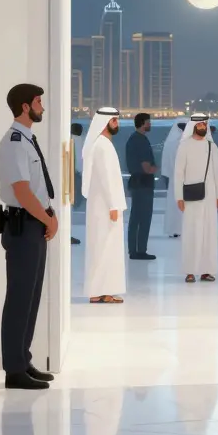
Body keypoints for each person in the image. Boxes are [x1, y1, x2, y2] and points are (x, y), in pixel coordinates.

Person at [0, 83, 60, 392]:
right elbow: (21, 191)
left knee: (31, 297)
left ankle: (23, 359)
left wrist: (49, 214)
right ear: (24, 106)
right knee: (19, 298)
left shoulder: (27, 140)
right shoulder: (14, 142)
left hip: (34, 223)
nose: (42, 107)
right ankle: (14, 370)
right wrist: (46, 217)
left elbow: (35, 189)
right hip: (23, 226)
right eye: (38, 102)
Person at [83, 107, 127, 304]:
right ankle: (99, 291)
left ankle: (102, 290)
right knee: (103, 248)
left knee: (104, 248)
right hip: (106, 207)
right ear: (106, 122)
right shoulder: (102, 146)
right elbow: (106, 178)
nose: (117, 124)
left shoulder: (102, 144)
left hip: (105, 206)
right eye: (114, 120)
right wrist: (113, 205)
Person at [175, 114, 218, 283]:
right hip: (190, 196)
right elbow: (178, 173)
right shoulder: (184, 146)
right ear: (194, 125)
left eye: (205, 124)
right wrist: (178, 197)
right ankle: (190, 271)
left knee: (209, 233)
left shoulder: (212, 147)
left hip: (210, 196)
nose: (203, 126)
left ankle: (206, 270)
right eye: (201, 124)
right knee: (192, 232)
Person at [125, 113, 158, 260]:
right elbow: (146, 166)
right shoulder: (141, 141)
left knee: (135, 217)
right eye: (148, 122)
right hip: (143, 182)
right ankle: (140, 250)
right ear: (143, 123)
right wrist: (153, 169)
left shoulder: (132, 139)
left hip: (136, 182)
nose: (150, 124)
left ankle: (133, 249)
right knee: (144, 217)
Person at [161, 118, 189, 238]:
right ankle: (180, 229)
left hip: (175, 180)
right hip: (184, 179)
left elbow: (166, 163)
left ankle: (176, 229)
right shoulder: (187, 142)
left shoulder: (170, 142)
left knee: (175, 204)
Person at [70, 122, 84, 245]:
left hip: (74, 175)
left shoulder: (74, 141)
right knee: (72, 204)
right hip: (75, 175)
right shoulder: (77, 142)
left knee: (73, 204)